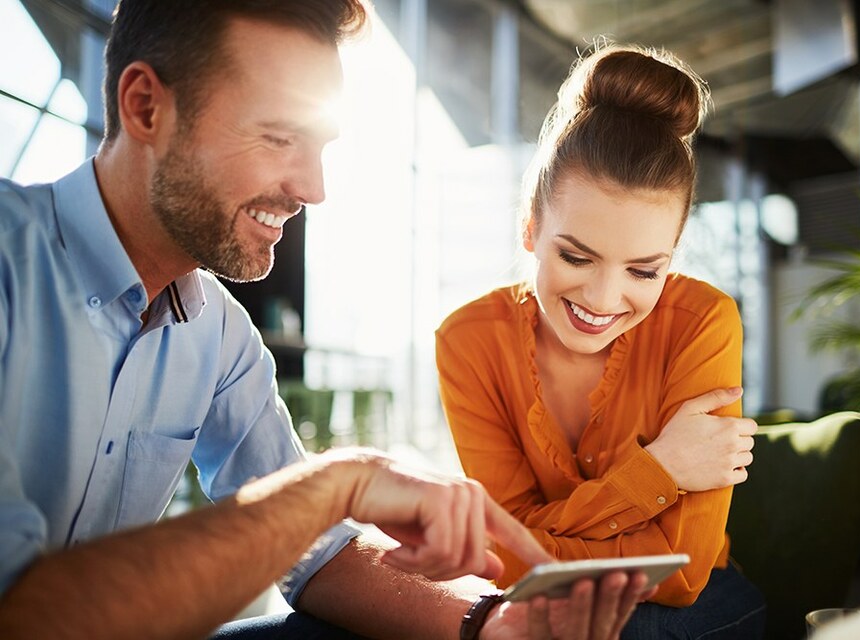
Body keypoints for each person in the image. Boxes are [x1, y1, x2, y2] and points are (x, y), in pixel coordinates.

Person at [0, 3, 656, 639]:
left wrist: (491, 624)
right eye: (279, 137)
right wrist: (338, 483)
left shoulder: (218, 336)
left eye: (318, 146)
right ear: (145, 107)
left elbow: (315, 551)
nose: (313, 189)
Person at [435, 42, 766, 638]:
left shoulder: (702, 323)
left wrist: (537, 542)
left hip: (697, 608)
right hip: (548, 611)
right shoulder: (467, 342)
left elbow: (683, 574)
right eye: (577, 256)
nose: (604, 299)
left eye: (644, 271)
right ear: (530, 227)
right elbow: (502, 549)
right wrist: (660, 471)